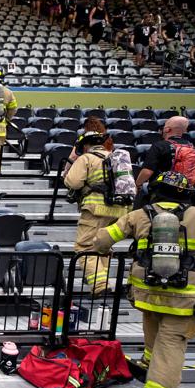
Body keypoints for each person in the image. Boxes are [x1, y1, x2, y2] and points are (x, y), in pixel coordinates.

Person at [93, 172, 195, 388]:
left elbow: (102, 240)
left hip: (146, 293)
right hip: (183, 296)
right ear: (185, 194)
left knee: (154, 333)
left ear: (153, 191)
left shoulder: (139, 215)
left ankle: (150, 371)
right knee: (171, 342)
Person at [63, 119, 131, 295]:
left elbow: (73, 182)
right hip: (119, 210)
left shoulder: (87, 158)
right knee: (103, 246)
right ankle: (103, 281)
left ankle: (100, 286)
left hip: (96, 209)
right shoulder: (115, 157)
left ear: (86, 145)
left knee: (84, 248)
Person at [135, 116, 193, 188]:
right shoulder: (193, 148)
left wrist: (137, 185)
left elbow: (147, 172)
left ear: (167, 129)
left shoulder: (159, 146)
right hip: (186, 192)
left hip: (162, 192)